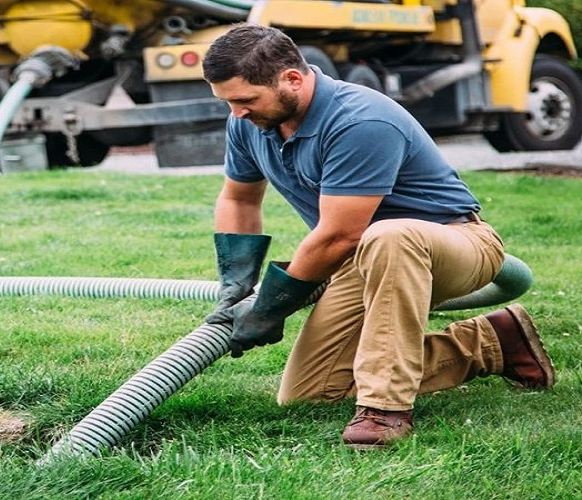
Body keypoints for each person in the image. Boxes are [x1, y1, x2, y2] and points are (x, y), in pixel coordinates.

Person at [200, 24, 556, 449]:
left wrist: (272, 305)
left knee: (389, 235)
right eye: (228, 102)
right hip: (364, 256)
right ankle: (491, 342)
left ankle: (385, 410)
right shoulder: (249, 121)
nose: (237, 112)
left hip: (452, 243)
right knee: (311, 392)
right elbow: (239, 200)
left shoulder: (360, 120)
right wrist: (237, 281)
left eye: (245, 100)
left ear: (291, 79)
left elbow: (340, 235)